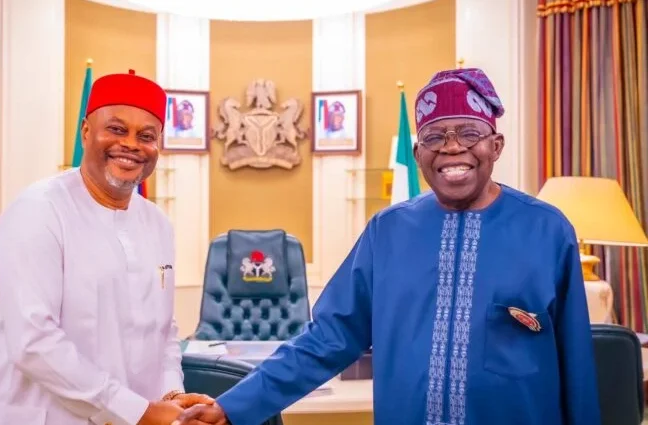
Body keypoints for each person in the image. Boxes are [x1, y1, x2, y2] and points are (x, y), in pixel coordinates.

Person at [173, 68, 601, 425]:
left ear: (496, 145)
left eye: (469, 133)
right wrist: (233, 406)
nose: (452, 147)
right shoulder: (389, 231)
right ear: (417, 153)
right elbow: (328, 338)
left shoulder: (547, 231)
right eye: (435, 136)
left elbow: (578, 366)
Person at [0, 69, 213, 425]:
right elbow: (34, 342)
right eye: (117, 129)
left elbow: (164, 331)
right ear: (86, 131)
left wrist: (171, 398)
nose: (131, 144)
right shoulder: (39, 210)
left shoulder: (158, 223)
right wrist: (137, 410)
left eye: (146, 136)